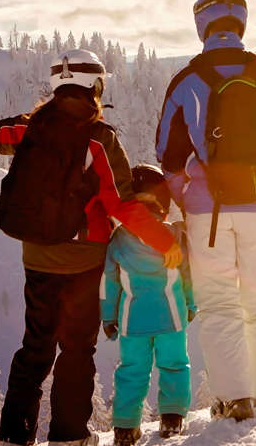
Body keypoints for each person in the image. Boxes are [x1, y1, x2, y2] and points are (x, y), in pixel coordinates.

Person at [0, 49, 181, 446]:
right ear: (95, 86)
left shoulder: (31, 128)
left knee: (35, 346)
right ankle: (69, 437)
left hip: (38, 257)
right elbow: (121, 203)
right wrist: (164, 238)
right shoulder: (99, 138)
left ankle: (15, 436)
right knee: (77, 350)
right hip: (84, 262)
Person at [155, 0, 256, 422]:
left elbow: (167, 154)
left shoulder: (186, 80)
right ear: (241, 21)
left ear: (202, 23)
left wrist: (189, 196)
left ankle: (236, 399)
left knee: (218, 305)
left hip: (209, 213)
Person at [101, 164, 196, 445]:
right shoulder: (175, 237)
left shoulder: (118, 240)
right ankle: (172, 418)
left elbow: (110, 282)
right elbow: (188, 274)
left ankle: (126, 428)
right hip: (172, 316)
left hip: (133, 320)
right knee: (175, 365)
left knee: (132, 370)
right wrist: (191, 304)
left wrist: (108, 316)